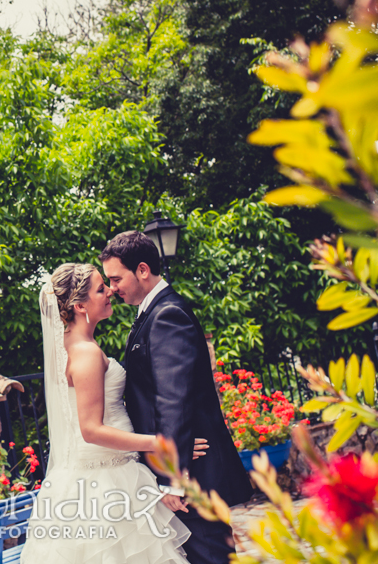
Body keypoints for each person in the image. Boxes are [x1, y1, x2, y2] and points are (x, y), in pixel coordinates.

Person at [20, 263, 205, 563]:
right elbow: (91, 430)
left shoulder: (72, 347)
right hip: (108, 480)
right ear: (80, 305)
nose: (110, 291)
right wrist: (161, 443)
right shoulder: (87, 354)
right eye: (100, 288)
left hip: (90, 475)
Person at [100, 231, 253, 564]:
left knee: (212, 556)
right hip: (183, 466)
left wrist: (172, 478)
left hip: (193, 472)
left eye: (115, 278)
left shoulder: (167, 315)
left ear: (142, 270)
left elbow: (173, 400)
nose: (111, 288)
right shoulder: (150, 313)